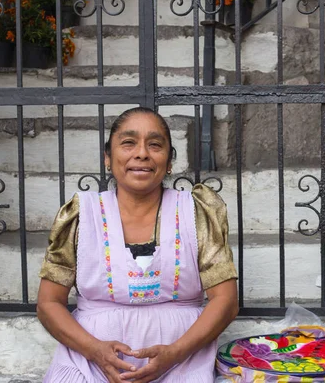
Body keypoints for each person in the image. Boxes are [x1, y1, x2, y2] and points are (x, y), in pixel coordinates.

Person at [37, 107, 239, 383]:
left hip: (182, 361)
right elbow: (49, 303)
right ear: (108, 158)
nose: (142, 153)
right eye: (128, 143)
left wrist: (175, 353)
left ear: (169, 162)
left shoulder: (194, 212)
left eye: (155, 145)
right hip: (88, 363)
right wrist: (95, 351)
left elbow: (226, 301)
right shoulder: (82, 215)